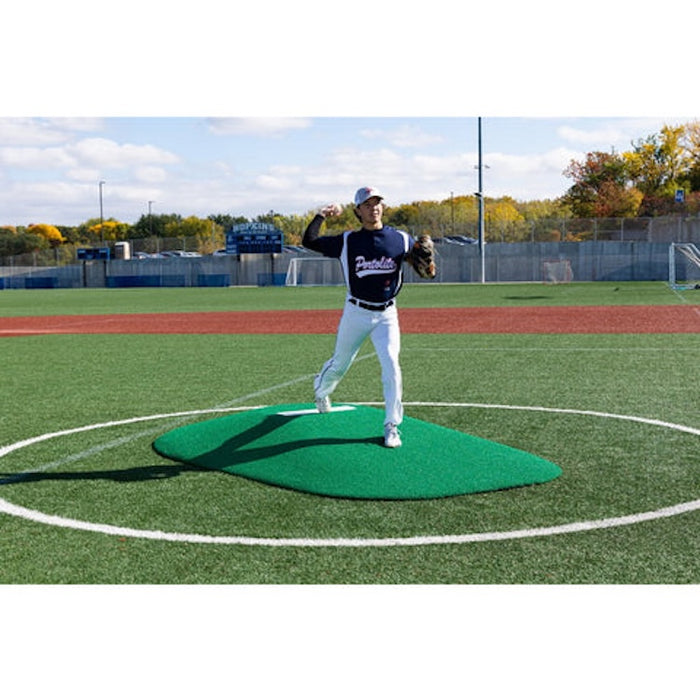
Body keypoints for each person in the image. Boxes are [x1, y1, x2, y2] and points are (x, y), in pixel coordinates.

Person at [302, 186, 416, 448]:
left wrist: (427, 262)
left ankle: (391, 425)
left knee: (392, 366)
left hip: (387, 314)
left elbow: (422, 260)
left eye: (377, 203)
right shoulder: (347, 241)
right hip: (356, 311)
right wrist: (321, 215)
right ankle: (321, 390)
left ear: (382, 207)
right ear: (358, 211)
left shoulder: (401, 239)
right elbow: (310, 241)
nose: (373, 208)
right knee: (340, 364)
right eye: (367, 204)